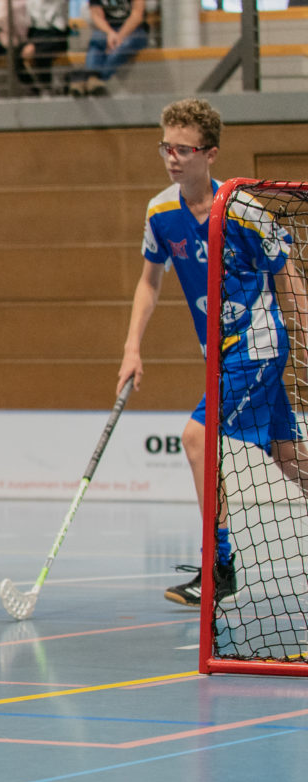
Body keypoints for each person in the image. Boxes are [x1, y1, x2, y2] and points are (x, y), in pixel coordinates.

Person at [116, 98, 308, 607]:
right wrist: (132, 348)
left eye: (184, 149)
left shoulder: (243, 207)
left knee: (197, 439)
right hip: (220, 356)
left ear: (211, 154)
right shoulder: (160, 212)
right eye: (166, 147)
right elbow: (148, 283)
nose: (173, 158)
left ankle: (219, 567)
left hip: (257, 346)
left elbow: (286, 270)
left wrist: (306, 336)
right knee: (289, 457)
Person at [69, 0, 144, 96]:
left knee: (121, 48)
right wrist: (110, 33)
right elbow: (96, 15)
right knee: (96, 42)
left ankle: (90, 77)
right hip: (108, 31)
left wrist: (120, 36)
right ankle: (91, 79)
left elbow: (137, 15)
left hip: (133, 31)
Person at [14, 0, 67, 97]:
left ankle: (47, 88)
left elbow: (59, 28)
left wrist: (34, 44)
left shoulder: (60, 2)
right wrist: (32, 42)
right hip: (36, 36)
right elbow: (31, 27)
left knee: (41, 54)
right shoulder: (32, 2)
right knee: (16, 54)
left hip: (56, 36)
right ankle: (32, 88)